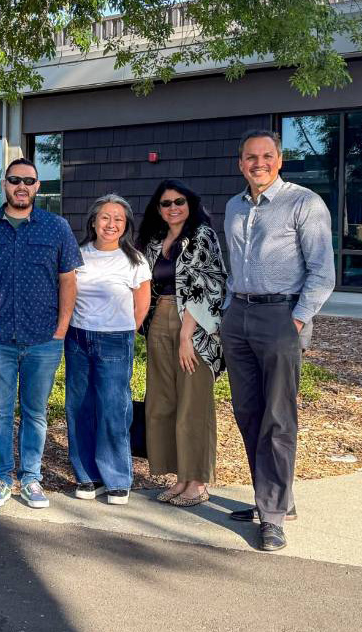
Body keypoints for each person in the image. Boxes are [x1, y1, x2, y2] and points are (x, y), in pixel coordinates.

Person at [222, 130, 335, 551]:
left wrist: (299, 321)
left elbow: (322, 271)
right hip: (239, 316)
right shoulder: (234, 205)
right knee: (248, 412)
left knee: (278, 417)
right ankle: (271, 497)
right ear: (241, 163)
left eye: (266, 156)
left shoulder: (304, 203)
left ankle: (271, 515)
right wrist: (227, 313)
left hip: (281, 317)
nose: (258, 163)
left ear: (280, 160)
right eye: (250, 157)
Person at [0, 157, 82, 509]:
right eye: (14, 179)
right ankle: (1, 478)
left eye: (29, 180)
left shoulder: (57, 227)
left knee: (35, 413)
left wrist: (61, 329)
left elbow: (68, 280)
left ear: (38, 186)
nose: (21, 186)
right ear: (5, 184)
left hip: (44, 338)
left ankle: (32, 478)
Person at [137, 180, 227, 507]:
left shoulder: (202, 236)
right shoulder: (155, 241)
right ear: (157, 209)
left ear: (190, 204)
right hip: (159, 321)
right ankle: (180, 477)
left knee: (193, 404)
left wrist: (187, 335)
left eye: (179, 201)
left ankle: (198, 481)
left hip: (194, 326)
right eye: (166, 203)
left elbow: (210, 282)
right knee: (163, 401)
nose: (173, 207)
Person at [65, 194, 151, 505]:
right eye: (105, 217)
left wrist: (122, 329)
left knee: (114, 408)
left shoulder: (135, 260)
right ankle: (88, 476)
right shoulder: (77, 254)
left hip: (116, 339)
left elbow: (141, 306)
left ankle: (116, 478)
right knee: (81, 407)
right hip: (77, 338)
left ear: (126, 225)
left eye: (118, 218)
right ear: (93, 221)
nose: (111, 223)